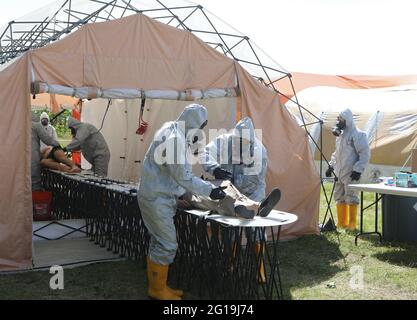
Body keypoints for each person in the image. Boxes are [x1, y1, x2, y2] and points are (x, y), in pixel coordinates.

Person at [137, 104, 227, 300]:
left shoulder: (175, 129)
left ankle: (157, 285)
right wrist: (210, 190)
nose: (201, 130)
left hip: (159, 195)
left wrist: (213, 170)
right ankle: (157, 289)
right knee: (168, 244)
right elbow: (183, 177)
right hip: (156, 198)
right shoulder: (174, 140)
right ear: (194, 123)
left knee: (159, 241)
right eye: (201, 126)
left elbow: (189, 158)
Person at [200, 116, 269, 282]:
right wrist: (215, 169)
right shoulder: (223, 141)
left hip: (252, 193)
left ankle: (259, 271)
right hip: (229, 193)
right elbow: (205, 153)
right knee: (229, 231)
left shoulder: (258, 151)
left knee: (255, 231)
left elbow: (252, 182)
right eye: (238, 142)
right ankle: (230, 267)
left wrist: (242, 200)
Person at [326, 108, 370, 230]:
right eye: (338, 119)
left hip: (351, 172)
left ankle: (351, 225)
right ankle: (342, 223)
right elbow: (337, 153)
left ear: (347, 120)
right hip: (339, 171)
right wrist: (331, 166)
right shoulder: (340, 136)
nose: (338, 121)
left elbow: (364, 153)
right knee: (339, 196)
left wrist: (358, 170)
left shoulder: (358, 134)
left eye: (341, 119)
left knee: (351, 196)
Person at [31, 113, 60, 191]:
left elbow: (52, 140)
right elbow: (48, 140)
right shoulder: (36, 125)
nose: (44, 121)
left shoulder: (19, 125)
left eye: (45, 119)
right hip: (34, 156)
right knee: (35, 181)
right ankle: (35, 198)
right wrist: (58, 145)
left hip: (31, 155)